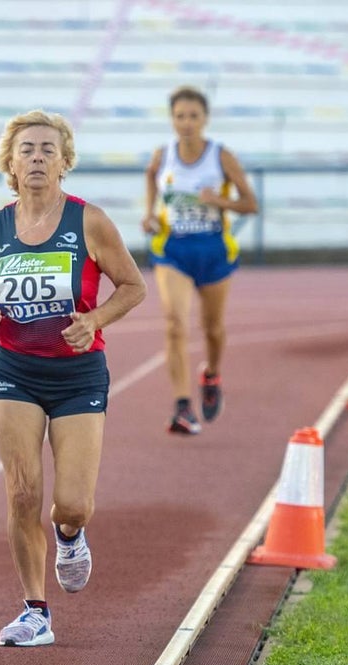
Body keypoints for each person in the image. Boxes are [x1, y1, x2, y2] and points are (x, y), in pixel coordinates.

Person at [0, 110, 146, 647]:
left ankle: (70, 535)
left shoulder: (89, 222)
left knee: (72, 503)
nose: (37, 157)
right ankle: (35, 610)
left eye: (47, 149)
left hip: (77, 374)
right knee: (22, 493)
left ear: (64, 162)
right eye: (27, 150)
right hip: (14, 368)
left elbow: (133, 285)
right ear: (10, 165)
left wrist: (96, 320)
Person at [141, 85, 258, 435]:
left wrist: (220, 202)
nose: (187, 122)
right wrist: (149, 214)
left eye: (194, 116)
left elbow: (250, 204)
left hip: (213, 250)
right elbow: (150, 178)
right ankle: (181, 406)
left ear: (205, 119)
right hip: (173, 250)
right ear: (172, 119)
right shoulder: (163, 156)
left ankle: (211, 374)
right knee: (175, 323)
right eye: (180, 116)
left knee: (213, 329)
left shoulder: (221, 157)